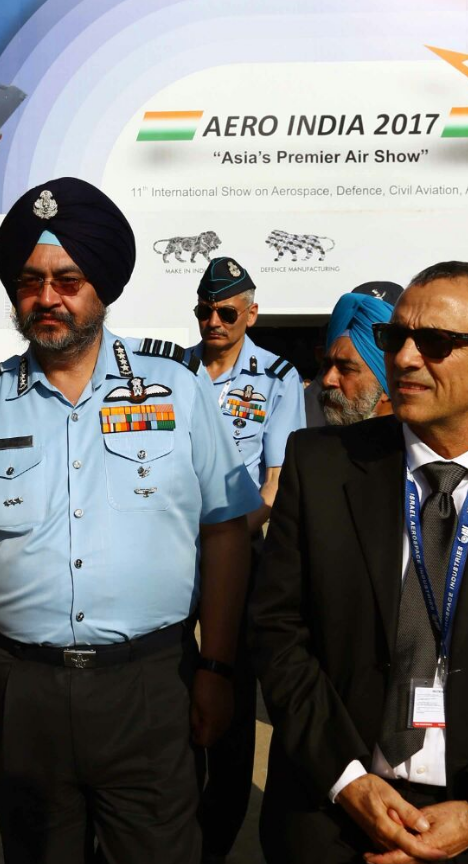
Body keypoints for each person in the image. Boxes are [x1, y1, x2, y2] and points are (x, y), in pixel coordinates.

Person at [0, 177, 260, 864]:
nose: (47, 298)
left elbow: (225, 533)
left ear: (103, 287)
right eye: (30, 282)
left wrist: (217, 667)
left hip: (152, 686)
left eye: (67, 279)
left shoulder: (177, 389)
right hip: (22, 694)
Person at [251, 261, 468, 863]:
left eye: (434, 343)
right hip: (334, 816)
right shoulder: (320, 466)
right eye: (394, 337)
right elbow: (277, 633)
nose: (403, 358)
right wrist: (346, 779)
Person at [183, 257, 305, 863]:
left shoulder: (278, 376)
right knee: (172, 693)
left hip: (243, 557)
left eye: (226, 311)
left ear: (250, 313)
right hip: (173, 561)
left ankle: (214, 842)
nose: (213, 320)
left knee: (228, 708)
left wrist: (223, 535)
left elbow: (276, 484)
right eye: (205, 309)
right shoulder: (172, 370)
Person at [305, 282, 403, 428]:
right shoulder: (304, 441)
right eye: (326, 366)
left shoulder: (420, 448)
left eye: (346, 369)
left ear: (388, 382)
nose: (327, 380)